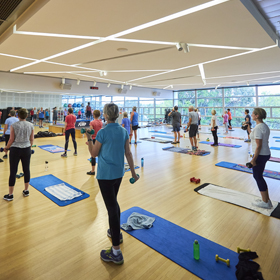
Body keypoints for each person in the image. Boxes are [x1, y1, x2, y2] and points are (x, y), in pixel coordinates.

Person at [86, 103, 138, 265]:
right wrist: (134, 173)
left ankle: (116, 252)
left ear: (106, 116)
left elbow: (94, 154)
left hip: (106, 176)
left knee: (111, 208)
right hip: (119, 174)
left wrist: (89, 139)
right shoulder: (123, 131)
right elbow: (128, 153)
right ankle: (116, 232)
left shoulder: (102, 133)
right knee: (114, 204)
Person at [3, 108, 34, 201]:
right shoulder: (31, 125)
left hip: (15, 150)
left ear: (18, 116)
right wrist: (29, 147)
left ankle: (10, 195)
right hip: (26, 149)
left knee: (13, 171)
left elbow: (11, 140)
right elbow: (32, 139)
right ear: (27, 116)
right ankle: (26, 190)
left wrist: (6, 148)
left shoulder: (13, 125)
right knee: (26, 169)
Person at [250, 108, 272, 208]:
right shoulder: (264, 126)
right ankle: (267, 200)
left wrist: (254, 159)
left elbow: (258, 145)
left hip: (260, 155)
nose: (251, 114)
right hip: (265, 154)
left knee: (258, 177)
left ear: (257, 115)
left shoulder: (258, 128)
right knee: (259, 176)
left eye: (253, 113)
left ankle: (265, 202)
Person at [87, 110, 103, 175]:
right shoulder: (101, 122)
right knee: (101, 155)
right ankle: (101, 170)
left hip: (94, 139)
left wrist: (89, 141)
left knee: (93, 155)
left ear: (93, 115)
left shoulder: (92, 122)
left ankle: (93, 171)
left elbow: (91, 132)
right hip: (100, 139)